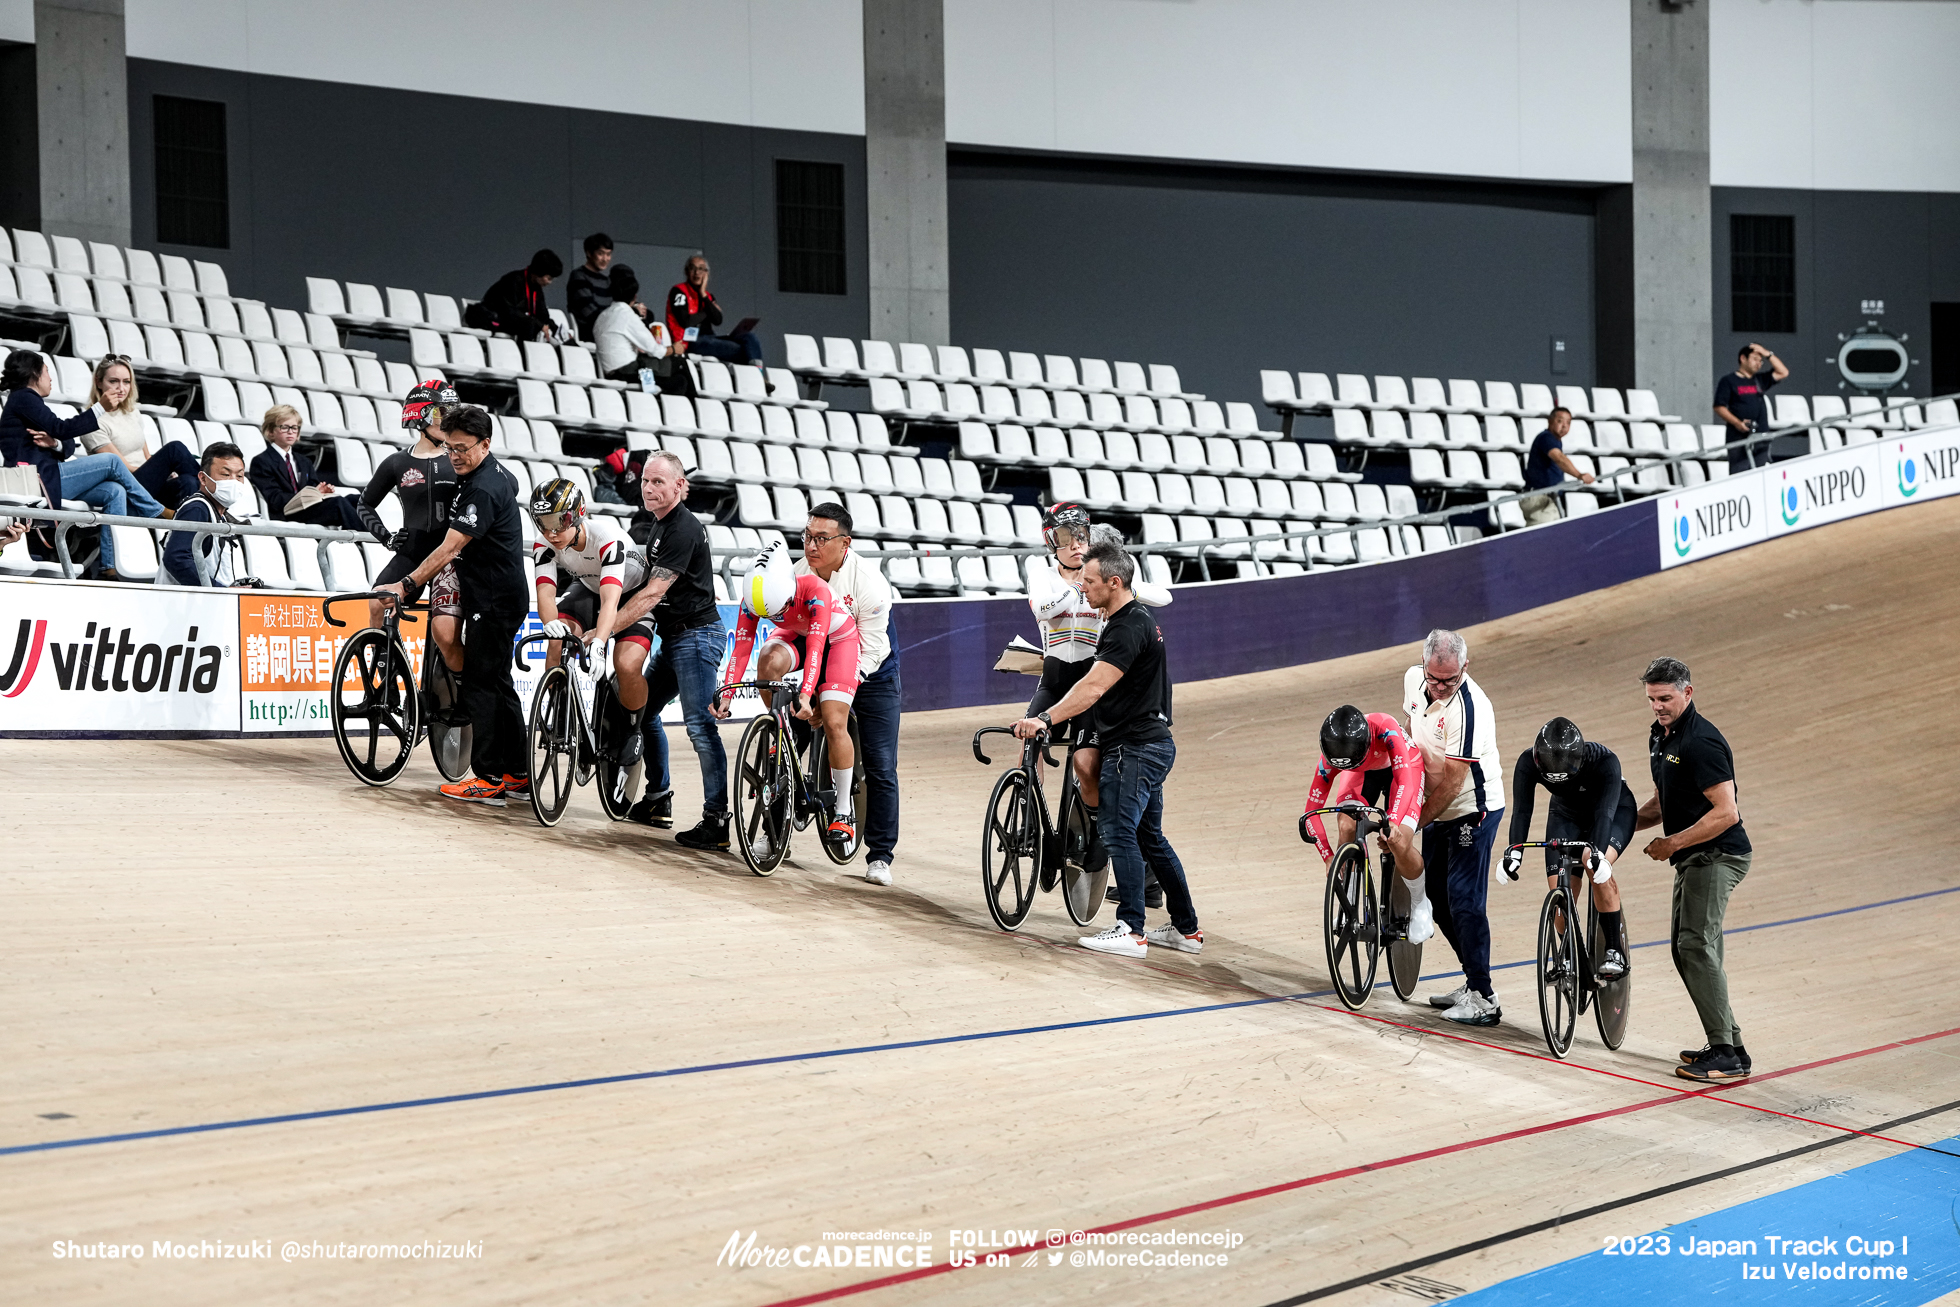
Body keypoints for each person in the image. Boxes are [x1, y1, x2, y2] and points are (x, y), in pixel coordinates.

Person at [1012, 541, 1200, 959]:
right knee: (1150, 838)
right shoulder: (1132, 619)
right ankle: (1186, 931)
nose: (1082, 588)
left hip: (1133, 748)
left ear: (1114, 583)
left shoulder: (1126, 627)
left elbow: (1093, 687)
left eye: (1090, 582)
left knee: (1118, 832)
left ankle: (1132, 929)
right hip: (1150, 743)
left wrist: (1045, 718)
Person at [375, 406, 531, 806]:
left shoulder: (482, 488)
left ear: (485, 445)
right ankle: (518, 771)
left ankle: (488, 776)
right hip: (501, 592)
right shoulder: (489, 473)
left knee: (480, 684)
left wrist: (407, 583)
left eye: (462, 449)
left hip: (494, 598)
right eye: (449, 448)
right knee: (499, 684)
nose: (454, 456)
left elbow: (451, 546)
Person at [1024, 505, 1172, 903]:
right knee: (1029, 738)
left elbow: (1165, 596)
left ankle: (1096, 826)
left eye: (1079, 538)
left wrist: (1116, 585)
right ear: (1051, 541)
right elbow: (1042, 608)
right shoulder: (1043, 573)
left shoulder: (1102, 575)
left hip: (1090, 681)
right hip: (1054, 678)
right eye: (1064, 539)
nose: (1073, 546)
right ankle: (1030, 815)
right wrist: (1077, 585)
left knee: (1084, 763)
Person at [1634, 656, 1752, 1083]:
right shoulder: (1663, 737)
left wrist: (1671, 843)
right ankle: (1732, 1045)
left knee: (1696, 946)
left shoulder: (1700, 742)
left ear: (1688, 692)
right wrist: (1619, 823)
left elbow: (1727, 813)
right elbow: (1665, 800)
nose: (1658, 706)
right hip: (1695, 857)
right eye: (1651, 699)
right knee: (1688, 948)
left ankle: (1724, 1052)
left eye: (1665, 698)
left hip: (1718, 854)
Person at [613, 453, 730, 845]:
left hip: (697, 637)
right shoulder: (661, 526)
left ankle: (716, 820)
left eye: (659, 482)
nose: (649, 487)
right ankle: (658, 798)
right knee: (643, 709)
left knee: (700, 727)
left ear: (680, 487)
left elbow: (653, 593)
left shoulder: (681, 528)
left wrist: (605, 628)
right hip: (679, 635)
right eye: (646, 481)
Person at [715, 542, 859, 853]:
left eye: (778, 612)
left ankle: (844, 810)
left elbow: (817, 652)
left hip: (837, 639)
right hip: (797, 635)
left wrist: (807, 695)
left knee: (834, 722)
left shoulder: (815, 591)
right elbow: (741, 651)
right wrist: (727, 693)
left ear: (790, 592)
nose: (774, 616)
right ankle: (785, 732)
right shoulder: (753, 600)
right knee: (767, 661)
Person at [1403, 629, 1506, 1027]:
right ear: (1424, 666)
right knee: (1433, 896)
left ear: (1466, 666)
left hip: (1471, 809)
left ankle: (1485, 998)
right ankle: (1474, 981)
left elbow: (1453, 780)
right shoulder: (1414, 679)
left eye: (1450, 679)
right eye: (1435, 678)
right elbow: (1412, 731)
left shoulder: (1471, 707)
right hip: (1436, 807)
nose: (1441, 686)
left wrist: (1413, 820)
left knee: (1464, 899)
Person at [795, 501, 901, 885]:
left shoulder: (869, 583)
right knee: (789, 730)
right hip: (824, 656)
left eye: (821, 538)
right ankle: (773, 827)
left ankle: (880, 857)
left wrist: (837, 695)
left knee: (880, 764)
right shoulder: (797, 574)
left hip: (873, 668)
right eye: (807, 536)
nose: (811, 546)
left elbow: (871, 651)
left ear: (845, 543)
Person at [0, 347, 167, 579]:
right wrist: (100, 408)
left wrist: (54, 444)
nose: (50, 379)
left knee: (114, 491)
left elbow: (67, 441)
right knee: (111, 462)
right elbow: (63, 428)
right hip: (39, 481)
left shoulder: (28, 402)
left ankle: (109, 565)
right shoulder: (24, 398)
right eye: (47, 372)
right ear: (35, 375)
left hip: (49, 478)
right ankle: (156, 512)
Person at [1501, 717, 1635, 981]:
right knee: (1560, 892)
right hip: (1566, 815)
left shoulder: (1605, 761)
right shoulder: (1528, 762)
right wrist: (1514, 852)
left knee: (1591, 861)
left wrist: (1598, 855)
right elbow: (1521, 811)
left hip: (1613, 811)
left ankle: (1614, 951)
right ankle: (1569, 957)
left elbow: (1605, 815)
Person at [1299, 705, 1431, 941]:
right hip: (1361, 770)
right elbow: (1311, 811)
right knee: (1347, 826)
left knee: (1398, 841)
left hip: (1403, 766)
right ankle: (1349, 896)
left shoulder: (1385, 729)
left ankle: (1421, 904)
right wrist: (1328, 857)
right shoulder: (1335, 756)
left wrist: (1394, 821)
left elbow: (1405, 784)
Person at [358, 382, 463, 670]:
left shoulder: (459, 458)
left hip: (451, 554)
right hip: (414, 550)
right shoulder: (397, 462)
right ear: (421, 417)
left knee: (446, 628)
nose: (449, 420)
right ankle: (387, 662)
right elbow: (363, 504)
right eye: (442, 414)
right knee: (377, 601)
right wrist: (387, 539)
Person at [81, 356, 200, 510]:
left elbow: (147, 457)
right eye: (113, 381)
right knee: (174, 449)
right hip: (126, 486)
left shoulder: (132, 413)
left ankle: (197, 528)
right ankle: (215, 499)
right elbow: (122, 469)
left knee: (188, 482)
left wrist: (163, 475)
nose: (121, 388)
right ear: (98, 382)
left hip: (148, 484)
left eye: (126, 381)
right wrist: (161, 474)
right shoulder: (92, 422)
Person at [248, 405, 364, 532]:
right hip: (287, 513)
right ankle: (369, 540)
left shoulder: (303, 461)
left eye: (294, 427)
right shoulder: (262, 461)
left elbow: (313, 486)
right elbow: (275, 499)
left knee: (357, 500)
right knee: (338, 503)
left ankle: (371, 536)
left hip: (309, 508)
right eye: (285, 427)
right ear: (270, 431)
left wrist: (321, 491)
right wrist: (305, 495)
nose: (291, 431)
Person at [161, 442, 254, 586]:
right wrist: (217, 590)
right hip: (184, 605)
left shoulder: (220, 515)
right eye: (225, 474)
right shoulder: (197, 509)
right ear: (203, 478)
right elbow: (177, 558)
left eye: (239, 476)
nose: (234, 482)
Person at [667, 254, 762, 369]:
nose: (697, 273)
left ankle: (758, 374)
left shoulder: (708, 296)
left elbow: (718, 320)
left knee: (750, 337)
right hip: (690, 341)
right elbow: (686, 321)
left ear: (707, 273)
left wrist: (703, 294)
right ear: (687, 272)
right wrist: (708, 310)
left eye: (701, 269)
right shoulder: (678, 291)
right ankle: (756, 375)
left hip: (710, 338)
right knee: (743, 350)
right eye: (693, 268)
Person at [1713, 343, 1789, 473]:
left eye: (1760, 361)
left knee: (1760, 474)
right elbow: (1719, 407)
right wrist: (1737, 423)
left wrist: (1767, 354)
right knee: (1739, 474)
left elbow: (1783, 372)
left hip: (1760, 436)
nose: (1758, 364)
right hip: (1738, 437)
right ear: (1743, 358)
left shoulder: (1760, 380)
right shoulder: (1729, 381)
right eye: (1755, 359)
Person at [1518, 406, 1595, 526]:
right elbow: (1559, 458)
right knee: (1541, 539)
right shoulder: (1546, 438)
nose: (1564, 426)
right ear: (1550, 421)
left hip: (1549, 498)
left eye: (1568, 423)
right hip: (1539, 497)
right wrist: (1579, 475)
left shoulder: (1555, 441)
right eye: (1560, 421)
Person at [467, 249, 564, 343]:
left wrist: (560, 333)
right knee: (529, 324)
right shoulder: (513, 281)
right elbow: (508, 311)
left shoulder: (536, 289)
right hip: (492, 318)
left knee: (534, 325)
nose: (549, 283)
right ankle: (525, 357)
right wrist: (539, 324)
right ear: (538, 272)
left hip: (509, 320)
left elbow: (543, 317)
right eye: (549, 278)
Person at [593, 265, 667, 383]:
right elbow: (654, 349)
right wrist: (673, 349)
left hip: (613, 373)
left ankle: (651, 393)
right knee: (679, 367)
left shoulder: (602, 316)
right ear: (634, 296)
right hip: (631, 373)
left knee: (667, 379)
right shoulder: (628, 316)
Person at [565, 233, 614, 341]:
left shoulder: (606, 280)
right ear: (589, 253)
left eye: (608, 254)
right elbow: (590, 313)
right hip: (589, 333)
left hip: (607, 331)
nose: (605, 259)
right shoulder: (578, 276)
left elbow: (615, 307)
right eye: (600, 254)